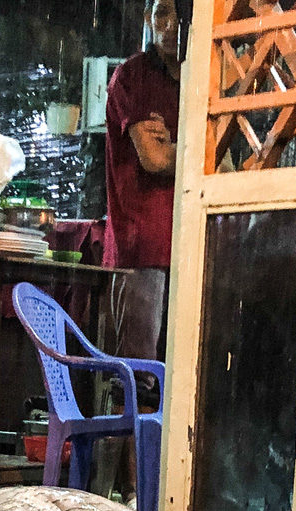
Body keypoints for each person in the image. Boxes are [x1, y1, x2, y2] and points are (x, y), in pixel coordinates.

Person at [103, 0, 184, 367]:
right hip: (143, 247)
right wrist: (190, 153)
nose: (171, 25)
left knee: (182, 374)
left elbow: (224, 166)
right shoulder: (132, 76)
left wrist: (175, 149)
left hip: (191, 244)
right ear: (148, 19)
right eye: (162, 12)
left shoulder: (206, 78)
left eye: (179, 14)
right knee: (140, 378)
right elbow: (154, 159)